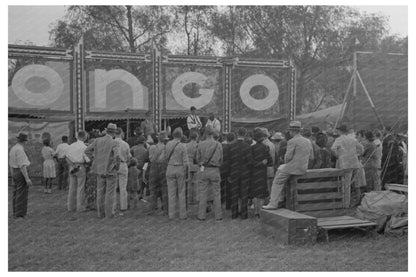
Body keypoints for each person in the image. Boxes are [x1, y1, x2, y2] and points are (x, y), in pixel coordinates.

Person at [263, 121, 313, 210]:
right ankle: (281, 199)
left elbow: (287, 158)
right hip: (304, 167)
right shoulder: (308, 141)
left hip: (293, 168)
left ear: (292, 131)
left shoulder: (292, 141)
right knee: (281, 170)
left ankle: (273, 203)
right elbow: (311, 157)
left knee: (277, 181)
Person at [85, 123, 120, 218]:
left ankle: (100, 214)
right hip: (110, 170)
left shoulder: (97, 140)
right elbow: (117, 156)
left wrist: (94, 159)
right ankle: (109, 213)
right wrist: (117, 166)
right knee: (110, 193)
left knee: (100, 192)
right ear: (114, 132)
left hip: (99, 169)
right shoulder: (114, 142)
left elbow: (87, 150)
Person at [330, 124, 363, 208]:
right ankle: (346, 203)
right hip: (353, 163)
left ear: (340, 131)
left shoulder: (339, 139)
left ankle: (345, 204)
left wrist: (338, 156)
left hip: (344, 163)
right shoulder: (352, 139)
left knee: (344, 184)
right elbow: (361, 148)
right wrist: (357, 155)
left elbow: (333, 149)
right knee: (348, 184)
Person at [196, 126, 223, 221]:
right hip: (215, 170)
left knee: (203, 193)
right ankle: (218, 215)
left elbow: (197, 158)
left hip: (204, 169)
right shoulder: (218, 145)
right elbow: (221, 159)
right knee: (216, 193)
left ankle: (201, 215)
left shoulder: (200, 144)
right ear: (213, 134)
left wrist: (201, 163)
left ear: (206, 134)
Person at [225, 128, 251, 219]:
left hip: (234, 172)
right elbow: (250, 161)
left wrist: (228, 174)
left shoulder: (231, 146)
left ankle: (234, 214)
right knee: (244, 193)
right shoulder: (247, 146)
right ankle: (244, 214)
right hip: (244, 172)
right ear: (245, 134)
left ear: (237, 134)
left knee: (234, 193)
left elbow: (228, 162)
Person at [165, 127, 190, 219]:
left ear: (173, 135)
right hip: (180, 168)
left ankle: (171, 214)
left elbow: (165, 156)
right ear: (181, 135)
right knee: (181, 192)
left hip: (170, 167)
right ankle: (182, 214)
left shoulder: (168, 144)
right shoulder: (183, 146)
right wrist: (187, 173)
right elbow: (186, 162)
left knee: (171, 193)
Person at [9, 133, 32, 219]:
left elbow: (11, 164)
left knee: (16, 192)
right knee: (21, 193)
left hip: (15, 171)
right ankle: (19, 214)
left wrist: (12, 176)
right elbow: (22, 166)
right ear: (25, 141)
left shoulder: (13, 148)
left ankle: (16, 212)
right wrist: (27, 178)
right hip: (20, 172)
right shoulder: (20, 150)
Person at [250, 128, 273, 216]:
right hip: (263, 172)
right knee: (262, 192)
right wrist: (263, 163)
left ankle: (256, 210)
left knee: (255, 193)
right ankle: (260, 210)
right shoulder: (266, 147)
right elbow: (270, 161)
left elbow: (250, 161)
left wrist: (258, 163)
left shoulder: (252, 148)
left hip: (254, 172)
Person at [66, 130, 89, 212]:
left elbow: (67, 157)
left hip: (72, 166)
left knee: (72, 187)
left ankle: (71, 207)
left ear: (77, 136)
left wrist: (72, 165)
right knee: (80, 187)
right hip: (80, 166)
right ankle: (80, 207)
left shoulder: (71, 146)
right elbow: (87, 160)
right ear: (85, 137)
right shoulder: (85, 147)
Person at [148, 131, 169, 214]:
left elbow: (151, 159)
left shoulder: (152, 147)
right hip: (164, 167)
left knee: (152, 188)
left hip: (154, 167)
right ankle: (165, 208)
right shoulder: (167, 147)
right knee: (164, 187)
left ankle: (153, 207)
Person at [113, 128, 132, 215]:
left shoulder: (111, 143)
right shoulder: (125, 144)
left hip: (113, 165)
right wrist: (126, 163)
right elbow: (129, 157)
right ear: (121, 133)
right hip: (123, 164)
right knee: (123, 187)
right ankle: (123, 206)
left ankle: (113, 206)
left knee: (112, 187)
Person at [221, 132, 235, 210]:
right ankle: (229, 205)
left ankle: (221, 202)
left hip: (222, 170)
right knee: (230, 188)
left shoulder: (223, 147)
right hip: (231, 170)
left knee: (222, 187)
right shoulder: (234, 148)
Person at [260, 128, 275, 196]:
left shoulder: (265, 145)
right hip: (271, 167)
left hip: (266, 168)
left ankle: (267, 201)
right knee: (270, 186)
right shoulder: (271, 144)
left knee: (266, 186)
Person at [186, 130, 199, 206]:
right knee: (195, 183)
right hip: (195, 165)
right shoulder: (197, 145)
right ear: (196, 137)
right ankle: (195, 199)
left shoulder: (186, 145)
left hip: (188, 165)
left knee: (189, 183)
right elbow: (197, 157)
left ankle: (189, 200)